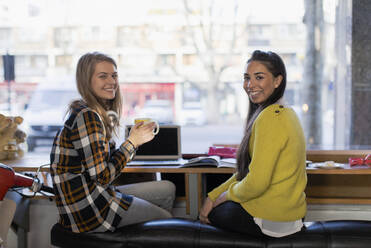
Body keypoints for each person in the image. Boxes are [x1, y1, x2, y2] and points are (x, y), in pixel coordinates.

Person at [50, 52, 175, 233]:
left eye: (114, 75)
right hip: (89, 210)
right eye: (103, 76)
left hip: (97, 197)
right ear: (86, 81)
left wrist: (133, 141)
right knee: (167, 222)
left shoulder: (94, 113)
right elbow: (102, 177)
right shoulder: (87, 117)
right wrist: (131, 143)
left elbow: (103, 167)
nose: (112, 82)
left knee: (167, 188)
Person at [199, 50, 307, 238]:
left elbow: (256, 183)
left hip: (273, 219)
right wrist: (213, 196)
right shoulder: (286, 113)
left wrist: (223, 198)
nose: (250, 84)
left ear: (277, 81)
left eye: (259, 77)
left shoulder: (271, 118)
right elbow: (247, 173)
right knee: (212, 206)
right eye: (247, 78)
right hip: (288, 216)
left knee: (211, 214)